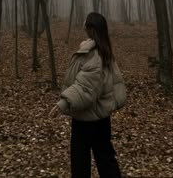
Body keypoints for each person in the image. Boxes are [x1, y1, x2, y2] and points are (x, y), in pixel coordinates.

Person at [50, 12, 127, 178]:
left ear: (91, 28)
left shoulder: (93, 54)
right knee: (106, 159)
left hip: (87, 119)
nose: (83, 24)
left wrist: (62, 103)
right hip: (101, 118)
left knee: (81, 163)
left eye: (85, 23)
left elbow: (85, 87)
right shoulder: (103, 49)